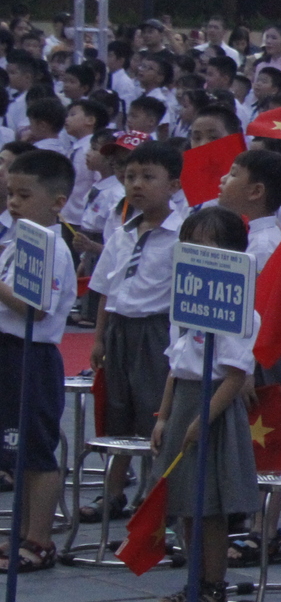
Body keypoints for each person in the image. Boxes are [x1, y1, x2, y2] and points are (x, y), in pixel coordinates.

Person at [147, 207, 261, 602]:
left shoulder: (239, 308)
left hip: (213, 409)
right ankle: (194, 580)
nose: (194, 252)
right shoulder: (188, 301)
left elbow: (234, 375)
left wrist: (203, 418)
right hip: (183, 403)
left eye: (205, 245)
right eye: (189, 244)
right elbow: (176, 366)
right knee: (184, 503)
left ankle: (213, 584)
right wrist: (163, 416)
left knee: (208, 506)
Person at [84, 143, 185, 525]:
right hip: (119, 330)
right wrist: (98, 338)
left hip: (155, 331)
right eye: (130, 177)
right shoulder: (122, 231)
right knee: (118, 411)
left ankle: (154, 492)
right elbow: (107, 290)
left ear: (173, 184)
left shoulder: (181, 236)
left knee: (152, 412)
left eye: (148, 177)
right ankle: (112, 491)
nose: (136, 185)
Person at [0, 150, 76, 573]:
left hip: (33, 355)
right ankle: (21, 532)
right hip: (8, 351)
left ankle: (39, 539)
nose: (13, 203)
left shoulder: (51, 247)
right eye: (11, 194)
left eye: (24, 195)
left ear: (57, 201)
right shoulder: (16, 241)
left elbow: (38, 307)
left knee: (36, 451)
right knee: (17, 451)